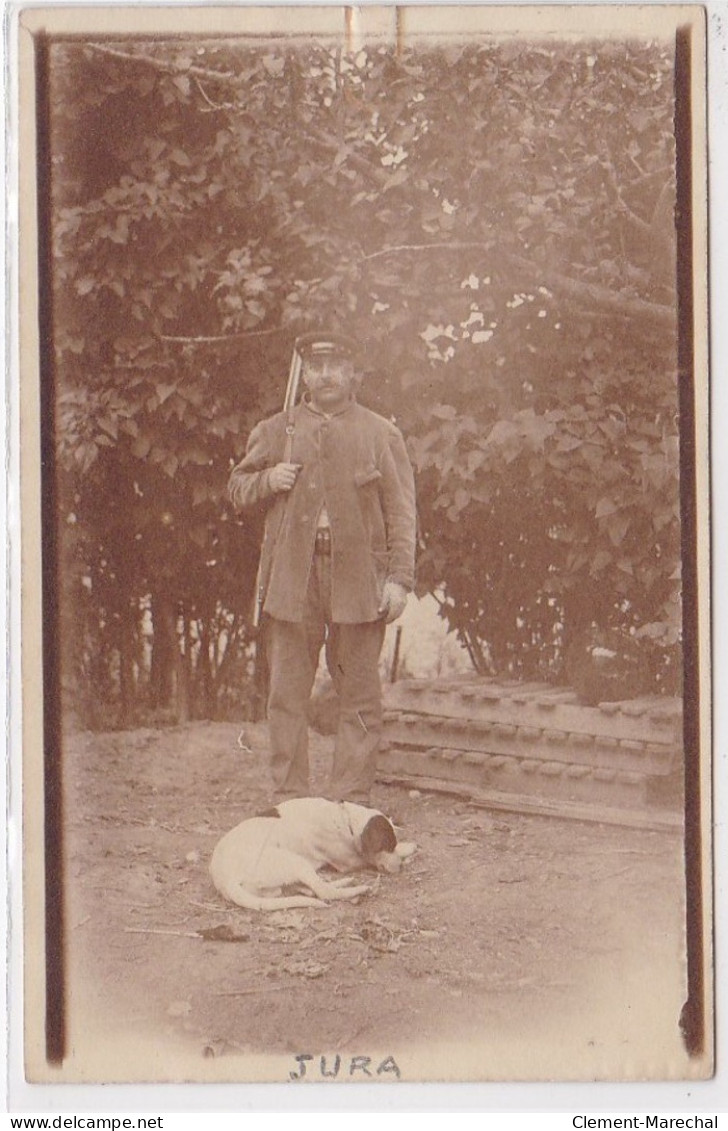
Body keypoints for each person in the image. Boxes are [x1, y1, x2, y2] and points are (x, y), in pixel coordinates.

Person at [228, 332, 416, 803]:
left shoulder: (380, 433)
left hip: (359, 580)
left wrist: (398, 579)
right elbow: (237, 488)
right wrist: (269, 479)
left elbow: (402, 513)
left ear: (353, 372)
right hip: (293, 577)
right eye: (317, 364)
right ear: (305, 374)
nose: (327, 374)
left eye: (337, 364)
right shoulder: (277, 430)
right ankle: (289, 800)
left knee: (359, 696)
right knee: (286, 693)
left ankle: (350, 802)